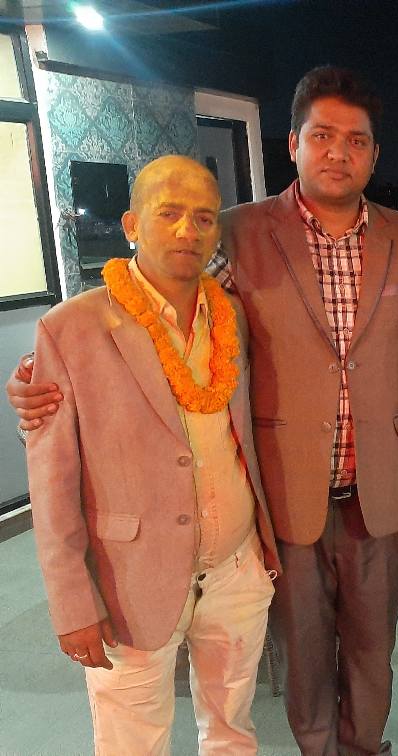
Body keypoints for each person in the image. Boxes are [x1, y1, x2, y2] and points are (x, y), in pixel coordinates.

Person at [8, 67, 398, 756]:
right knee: (300, 656)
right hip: (281, 497)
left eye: (356, 140)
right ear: (293, 143)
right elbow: (142, 312)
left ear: (376, 154)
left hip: (369, 495)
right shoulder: (237, 232)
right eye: (322, 135)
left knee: (367, 651)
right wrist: (38, 377)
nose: (338, 152)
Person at [25, 155, 281, 755]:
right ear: (132, 224)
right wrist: (72, 601)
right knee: (132, 743)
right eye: (169, 214)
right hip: (128, 578)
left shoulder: (233, 317)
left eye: (204, 218)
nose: (188, 230)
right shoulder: (73, 328)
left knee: (232, 732)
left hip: (234, 568)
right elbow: (52, 479)